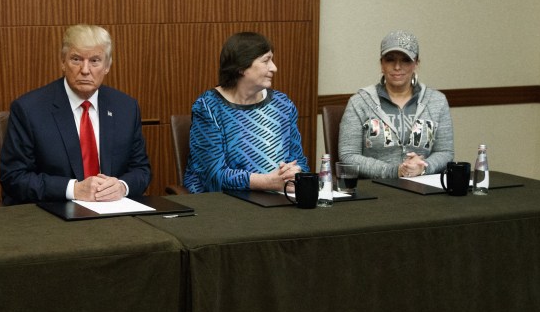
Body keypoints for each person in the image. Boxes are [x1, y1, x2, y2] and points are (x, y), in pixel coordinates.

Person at [0, 24, 151, 205]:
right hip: (53, 216)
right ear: (63, 62)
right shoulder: (29, 109)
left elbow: (141, 170)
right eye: (77, 59)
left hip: (113, 216)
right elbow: (14, 178)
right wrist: (74, 189)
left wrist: (122, 186)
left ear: (107, 66)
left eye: (95, 61)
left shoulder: (126, 107)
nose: (85, 70)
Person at [183, 32, 308, 192]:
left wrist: (295, 173)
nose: (274, 68)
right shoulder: (209, 107)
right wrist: (266, 182)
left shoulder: (282, 104)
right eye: (266, 61)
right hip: (225, 203)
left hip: (280, 198)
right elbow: (213, 175)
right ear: (242, 67)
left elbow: (300, 162)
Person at [338, 31, 453, 178]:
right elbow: (348, 156)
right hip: (376, 190)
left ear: (416, 63)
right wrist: (394, 171)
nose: (397, 66)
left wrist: (423, 167)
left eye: (405, 60)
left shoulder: (437, 101)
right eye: (390, 60)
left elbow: (445, 152)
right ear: (381, 64)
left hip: (426, 188)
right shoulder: (359, 102)